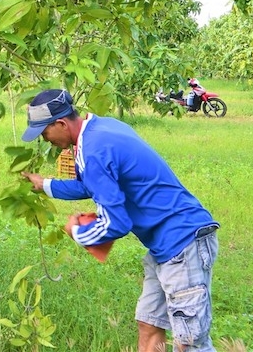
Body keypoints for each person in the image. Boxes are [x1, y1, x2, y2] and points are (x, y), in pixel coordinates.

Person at [20, 89, 219, 352]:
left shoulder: (94, 152)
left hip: (183, 241)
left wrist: (77, 232)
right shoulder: (99, 129)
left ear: (60, 124)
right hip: (165, 246)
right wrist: (45, 185)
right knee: (149, 324)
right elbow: (91, 184)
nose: (45, 139)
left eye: (44, 132)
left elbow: (117, 223)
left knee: (190, 343)